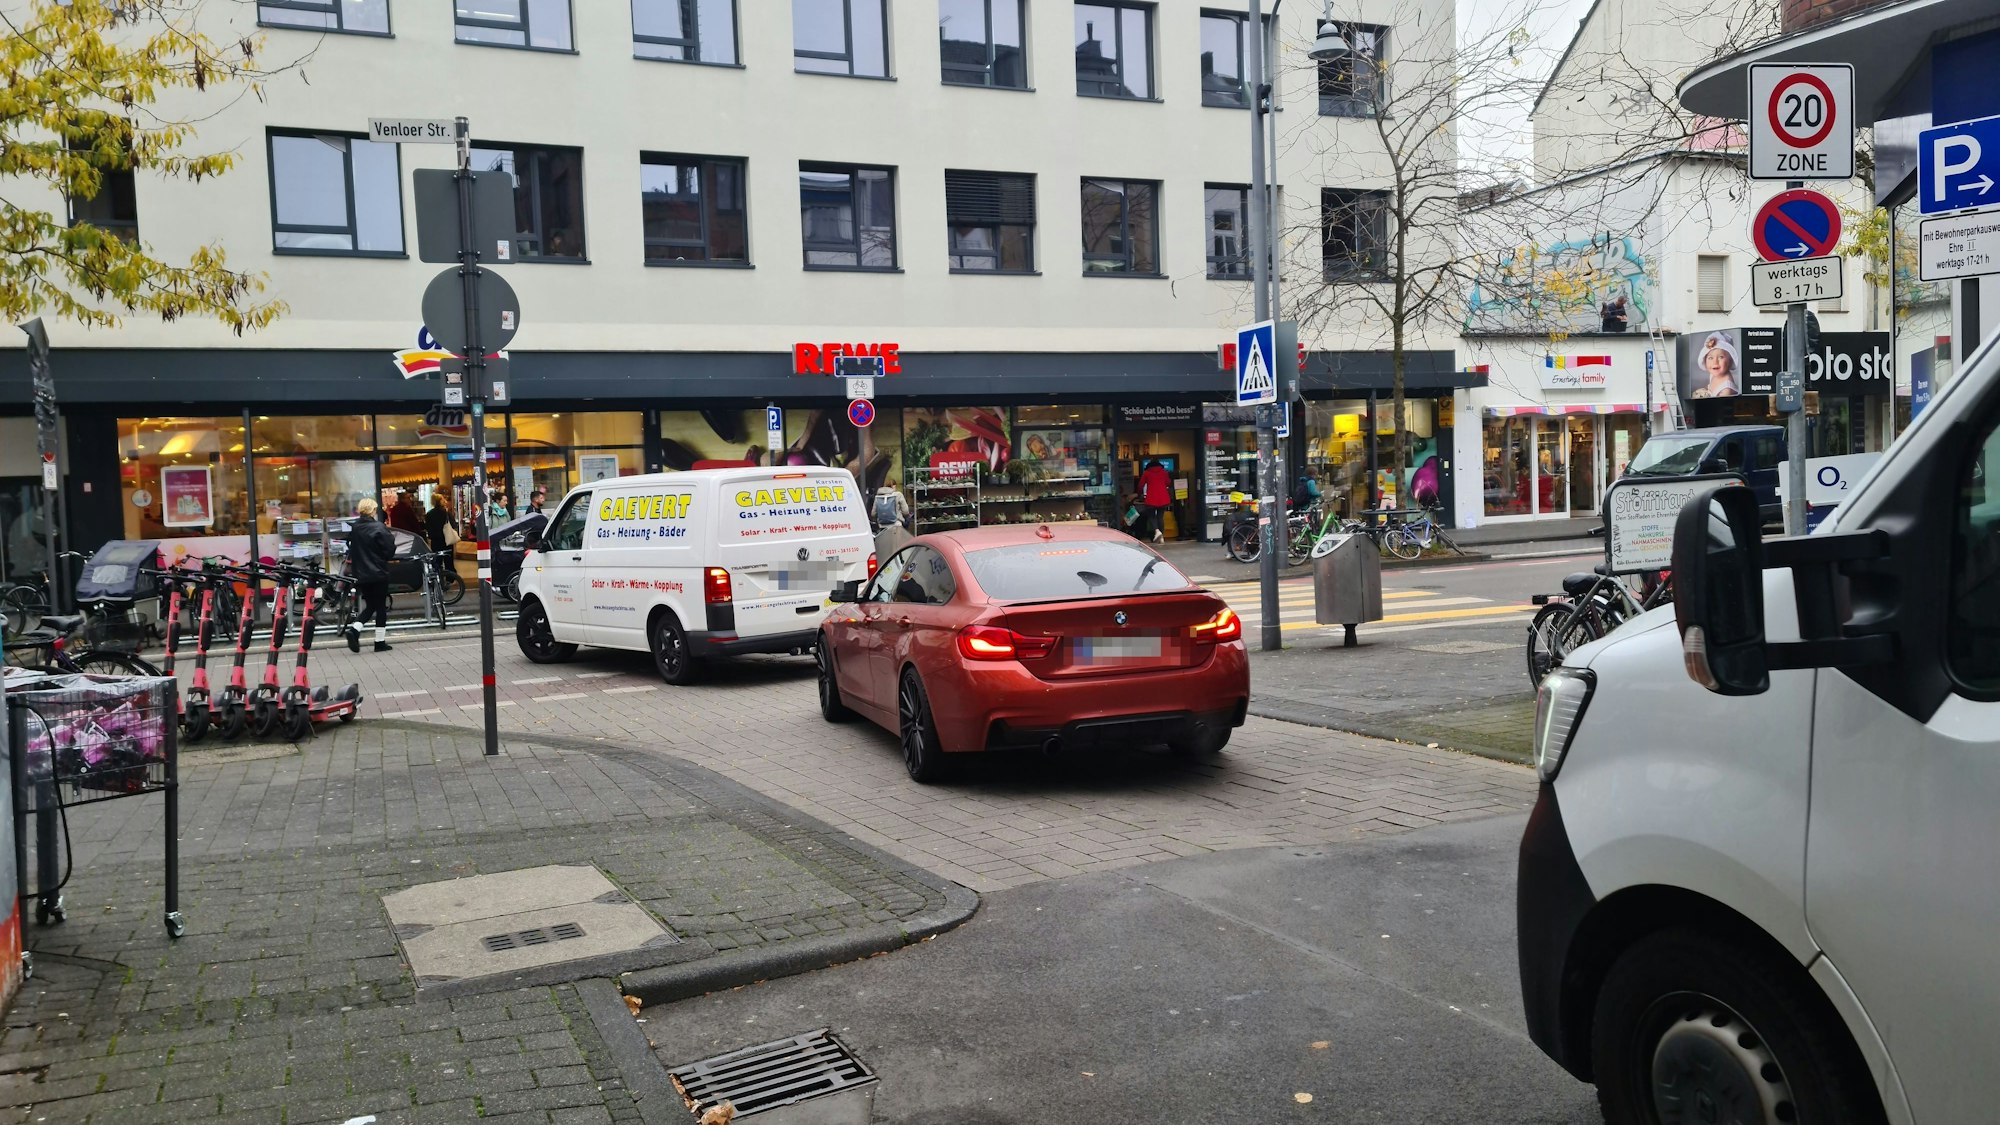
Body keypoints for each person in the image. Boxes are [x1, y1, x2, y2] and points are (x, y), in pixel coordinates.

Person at [344, 498, 397, 653]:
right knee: (380, 607)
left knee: (371, 605)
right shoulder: (379, 527)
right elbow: (389, 549)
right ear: (373, 510)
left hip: (361, 573)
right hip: (378, 572)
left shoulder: (355, 528)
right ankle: (379, 642)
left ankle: (355, 629)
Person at [1690, 332, 1741, 399]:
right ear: (1705, 360)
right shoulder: (1715, 374)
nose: (1715, 362)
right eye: (1710, 358)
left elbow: (1722, 406)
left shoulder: (1726, 389)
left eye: (1721, 357)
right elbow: (1710, 387)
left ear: (1730, 361)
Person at [1138, 460, 1173, 544]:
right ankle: (1161, 537)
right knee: (1160, 517)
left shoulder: (1146, 473)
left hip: (1151, 498)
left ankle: (1157, 531)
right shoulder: (1164, 472)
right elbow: (1168, 482)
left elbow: (1140, 485)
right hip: (1163, 498)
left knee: (1151, 516)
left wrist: (1139, 493)